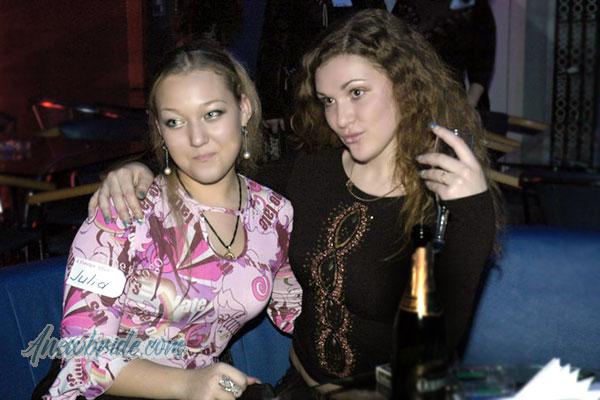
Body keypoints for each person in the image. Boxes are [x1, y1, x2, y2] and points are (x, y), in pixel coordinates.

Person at [89, 10, 501, 395]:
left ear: (405, 87)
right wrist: (138, 171)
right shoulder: (312, 173)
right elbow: (214, 170)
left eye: (356, 93)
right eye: (328, 100)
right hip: (296, 388)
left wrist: (472, 213)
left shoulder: (443, 203)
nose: (341, 119)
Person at [38, 41, 300, 400]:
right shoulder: (125, 210)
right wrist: (190, 384)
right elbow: (81, 358)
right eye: (175, 121)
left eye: (212, 114)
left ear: (243, 109)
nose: (197, 138)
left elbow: (294, 309)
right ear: (160, 131)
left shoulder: (275, 214)